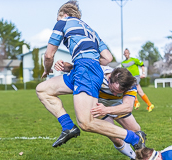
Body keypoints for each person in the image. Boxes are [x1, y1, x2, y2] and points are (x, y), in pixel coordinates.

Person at [36, 0, 146, 150]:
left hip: (85, 70)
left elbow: (49, 55)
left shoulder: (63, 22)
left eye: (58, 18)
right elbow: (108, 58)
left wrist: (47, 69)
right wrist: (87, 61)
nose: (57, 22)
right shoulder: (91, 30)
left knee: (86, 122)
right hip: (82, 69)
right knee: (43, 90)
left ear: (64, 14)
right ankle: (68, 127)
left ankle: (134, 137)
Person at [55, 60, 141, 159]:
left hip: (117, 107)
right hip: (98, 107)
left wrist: (107, 110)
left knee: (136, 131)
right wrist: (63, 65)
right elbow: (77, 68)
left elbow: (128, 107)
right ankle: (134, 157)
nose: (114, 94)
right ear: (109, 79)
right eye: (113, 90)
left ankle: (143, 155)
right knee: (115, 138)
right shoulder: (98, 71)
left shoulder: (129, 83)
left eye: (119, 92)